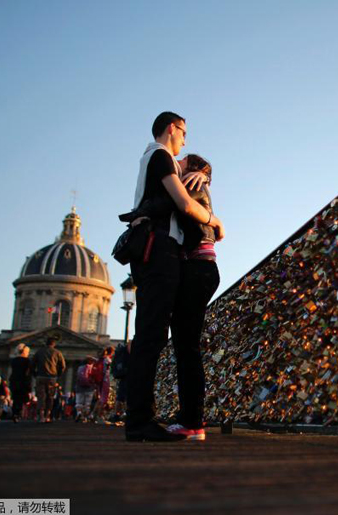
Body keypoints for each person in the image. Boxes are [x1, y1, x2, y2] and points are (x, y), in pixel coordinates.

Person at [124, 111, 223, 443]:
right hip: (160, 252)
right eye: (184, 133)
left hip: (158, 254)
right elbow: (183, 203)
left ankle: (148, 419)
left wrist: (202, 174)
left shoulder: (152, 159)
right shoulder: (161, 155)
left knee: (154, 335)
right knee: (153, 336)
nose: (185, 141)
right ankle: (142, 421)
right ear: (172, 128)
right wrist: (215, 220)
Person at [165, 154, 221, 441]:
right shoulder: (198, 183)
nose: (177, 159)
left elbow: (181, 208)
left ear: (192, 168)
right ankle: (191, 417)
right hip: (204, 268)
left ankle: (192, 421)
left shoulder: (189, 183)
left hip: (198, 269)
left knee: (187, 348)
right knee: (188, 347)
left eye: (183, 160)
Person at [31, 336, 66, 423]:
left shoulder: (39, 352)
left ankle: (41, 415)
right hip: (52, 378)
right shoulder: (57, 352)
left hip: (40, 377)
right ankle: (48, 416)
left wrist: (35, 374)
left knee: (41, 397)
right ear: (54, 344)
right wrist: (57, 375)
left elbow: (32, 364)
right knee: (50, 397)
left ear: (46, 343)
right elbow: (63, 366)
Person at [9, 344, 32, 422]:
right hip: (22, 381)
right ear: (25, 352)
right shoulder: (27, 361)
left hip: (14, 381)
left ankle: (15, 414)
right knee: (21, 399)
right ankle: (18, 414)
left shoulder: (14, 360)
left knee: (15, 398)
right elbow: (27, 373)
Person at [91, 347, 114, 423]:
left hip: (100, 380)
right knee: (104, 399)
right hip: (105, 380)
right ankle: (99, 417)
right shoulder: (107, 360)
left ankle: (93, 414)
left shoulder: (100, 359)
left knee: (100, 399)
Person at [110, 340, 131, 424]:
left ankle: (116, 415)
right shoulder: (129, 349)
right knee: (126, 396)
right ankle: (124, 414)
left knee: (120, 397)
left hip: (122, 375)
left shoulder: (121, 351)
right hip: (128, 375)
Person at [75, 357, 97, 422]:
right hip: (89, 388)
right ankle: (85, 417)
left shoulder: (80, 368)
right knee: (87, 403)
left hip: (80, 387)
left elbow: (77, 377)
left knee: (79, 402)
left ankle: (79, 413)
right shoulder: (93, 368)